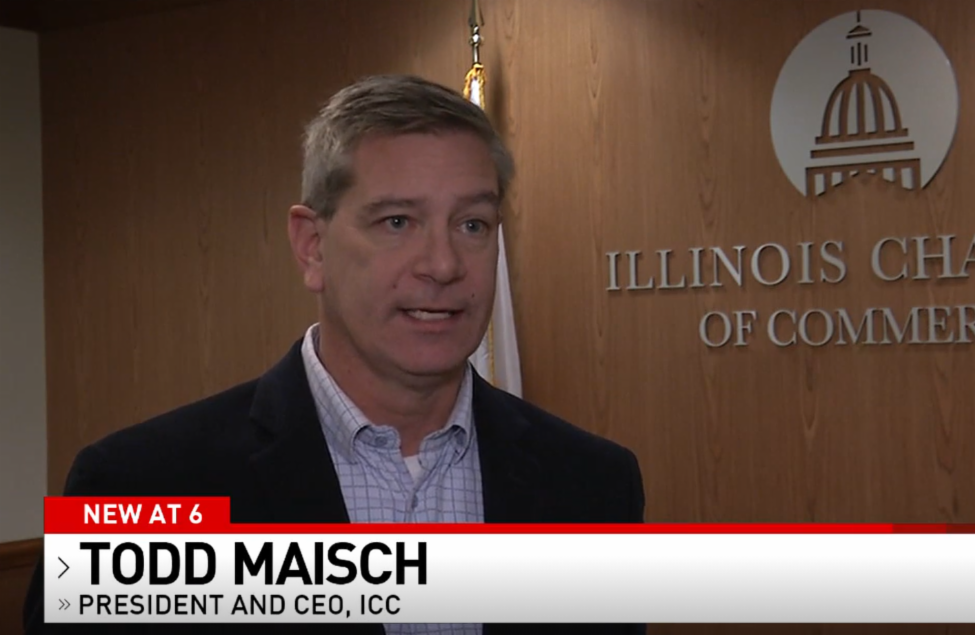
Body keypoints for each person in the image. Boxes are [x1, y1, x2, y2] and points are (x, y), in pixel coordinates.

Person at [24, 74, 645, 635]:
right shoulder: (139, 487)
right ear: (312, 246)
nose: (443, 264)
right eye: (397, 222)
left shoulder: (593, 487)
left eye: (472, 225)